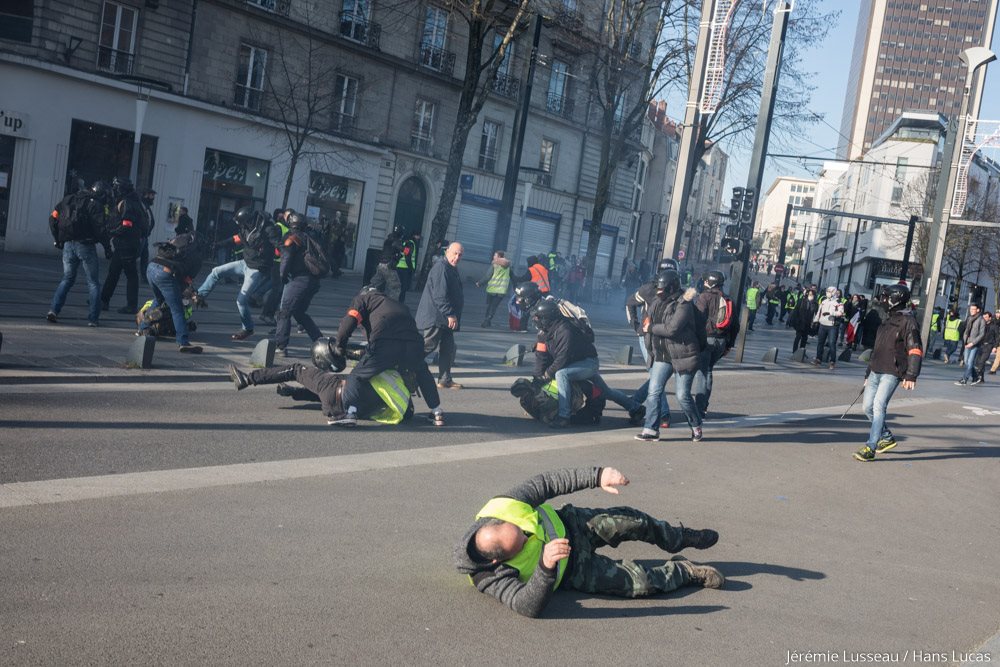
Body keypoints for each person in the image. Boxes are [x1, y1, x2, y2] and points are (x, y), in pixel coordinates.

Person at [454, 467, 723, 618]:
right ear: (496, 560)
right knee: (642, 583)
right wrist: (545, 568)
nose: (528, 535)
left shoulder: (500, 506)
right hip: (573, 570)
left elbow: (548, 482)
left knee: (633, 521)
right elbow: (526, 605)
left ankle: (677, 537)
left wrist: (598, 476)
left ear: (496, 522)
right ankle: (686, 571)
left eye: (521, 530)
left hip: (574, 524)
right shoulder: (486, 577)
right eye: (521, 543)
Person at [325, 287, 444, 426]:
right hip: (414, 343)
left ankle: (350, 412)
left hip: (386, 342)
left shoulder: (363, 299)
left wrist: (340, 345)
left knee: (357, 376)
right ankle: (437, 412)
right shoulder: (397, 304)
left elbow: (349, 321)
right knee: (422, 372)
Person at [531, 299, 643, 429]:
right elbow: (541, 357)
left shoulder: (565, 330)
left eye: (539, 318)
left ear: (548, 318)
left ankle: (563, 417)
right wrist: (537, 377)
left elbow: (562, 358)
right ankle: (636, 408)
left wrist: (547, 374)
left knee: (561, 374)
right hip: (575, 364)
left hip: (588, 363)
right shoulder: (544, 333)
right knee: (605, 391)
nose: (536, 320)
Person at [853, 284, 922, 461]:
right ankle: (886, 437)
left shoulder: (909, 321)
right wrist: (868, 373)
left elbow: (915, 348)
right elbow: (877, 349)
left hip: (892, 371)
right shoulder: (886, 320)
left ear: (896, 299)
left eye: (886, 297)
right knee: (867, 407)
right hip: (876, 369)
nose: (883, 300)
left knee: (878, 406)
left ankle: (871, 447)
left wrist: (911, 375)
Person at [635, 270, 705, 442]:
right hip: (662, 354)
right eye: (658, 289)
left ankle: (696, 425)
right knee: (654, 391)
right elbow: (647, 319)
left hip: (683, 355)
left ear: (672, 287)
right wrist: (645, 332)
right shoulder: (657, 301)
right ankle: (651, 430)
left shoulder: (684, 304)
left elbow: (673, 328)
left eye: (662, 289)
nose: (659, 292)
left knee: (682, 395)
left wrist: (650, 328)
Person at [193, 206, 279, 340]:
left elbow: (280, 246)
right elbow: (237, 238)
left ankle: (248, 328)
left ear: (247, 220)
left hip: (257, 269)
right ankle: (199, 296)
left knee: (241, 301)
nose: (240, 225)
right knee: (215, 272)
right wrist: (219, 245)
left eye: (241, 223)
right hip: (245, 263)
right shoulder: (248, 227)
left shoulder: (267, 229)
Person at [46, 181, 110, 327]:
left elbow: (53, 218)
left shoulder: (69, 198)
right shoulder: (95, 205)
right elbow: (100, 230)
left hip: (68, 244)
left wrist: (57, 240)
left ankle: (53, 310)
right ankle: (93, 319)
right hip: (86, 246)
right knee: (93, 283)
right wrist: (107, 248)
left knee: (67, 278)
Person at [143, 230, 203, 353]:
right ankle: (183, 342)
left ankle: (143, 328)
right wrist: (191, 293)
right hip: (165, 273)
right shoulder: (196, 256)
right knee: (177, 309)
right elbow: (187, 280)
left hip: (151, 267)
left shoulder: (179, 240)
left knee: (159, 300)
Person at [273, 212, 324, 356]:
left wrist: (282, 276)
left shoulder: (291, 237)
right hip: (314, 281)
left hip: (299, 280)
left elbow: (286, 257)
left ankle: (281, 346)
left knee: (285, 312)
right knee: (299, 313)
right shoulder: (309, 237)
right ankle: (320, 340)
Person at [416, 241, 465, 389]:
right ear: (447, 252)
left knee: (447, 349)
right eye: (454, 253)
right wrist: (450, 314)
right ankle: (405, 368)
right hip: (437, 317)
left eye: (460, 255)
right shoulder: (441, 268)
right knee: (428, 345)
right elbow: (439, 295)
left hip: (445, 318)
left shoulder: (451, 268)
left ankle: (445, 379)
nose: (457, 257)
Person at [100, 177, 147, 314]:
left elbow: (127, 224)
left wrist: (111, 232)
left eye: (116, 187)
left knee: (130, 274)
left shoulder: (128, 202)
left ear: (121, 188)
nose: (114, 190)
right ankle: (104, 300)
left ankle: (130, 305)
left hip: (126, 244)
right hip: (124, 244)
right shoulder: (132, 201)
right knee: (114, 272)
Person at [692, 270, 735, 417]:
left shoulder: (704, 297)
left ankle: (699, 408)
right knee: (709, 370)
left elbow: (697, 319)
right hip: (721, 341)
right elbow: (736, 325)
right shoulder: (728, 299)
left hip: (707, 339)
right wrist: (730, 345)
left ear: (710, 283)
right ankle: (703, 406)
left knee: (702, 373)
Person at [476, 251, 511, 328]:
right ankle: (488, 320)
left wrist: (480, 283)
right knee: (494, 306)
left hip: (492, 290)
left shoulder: (495, 265)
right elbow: (512, 277)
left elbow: (487, 276)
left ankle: (486, 321)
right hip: (501, 291)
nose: (493, 256)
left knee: (490, 306)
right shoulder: (508, 266)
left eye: (495, 255)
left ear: (499, 257)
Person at [812, 286, 844, 369]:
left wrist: (831, 313)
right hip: (822, 324)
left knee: (831, 343)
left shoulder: (838, 302)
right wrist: (815, 320)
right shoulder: (824, 301)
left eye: (830, 291)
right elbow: (819, 311)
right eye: (827, 291)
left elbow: (841, 312)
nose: (828, 293)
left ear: (833, 292)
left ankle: (832, 361)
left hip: (832, 326)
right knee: (820, 343)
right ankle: (818, 358)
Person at [955, 303, 985, 386]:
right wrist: (964, 340)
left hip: (975, 344)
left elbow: (982, 334)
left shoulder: (981, 320)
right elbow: (966, 330)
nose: (971, 311)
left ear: (978, 310)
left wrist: (973, 343)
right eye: (970, 309)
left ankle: (964, 379)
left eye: (973, 309)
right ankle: (976, 377)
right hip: (967, 343)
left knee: (970, 362)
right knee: (966, 361)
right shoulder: (969, 318)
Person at [790, 287, 818, 356]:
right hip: (800, 322)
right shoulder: (801, 301)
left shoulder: (815, 304)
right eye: (810, 294)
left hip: (808, 324)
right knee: (798, 337)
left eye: (812, 295)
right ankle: (794, 351)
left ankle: (801, 352)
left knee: (805, 338)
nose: (811, 296)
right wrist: (795, 321)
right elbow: (796, 312)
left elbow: (816, 314)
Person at [972, 311, 997, 384]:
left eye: (986, 317)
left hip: (988, 345)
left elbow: (997, 337)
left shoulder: (994, 326)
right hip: (980, 345)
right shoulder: (981, 325)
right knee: (978, 361)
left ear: (990, 318)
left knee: (982, 361)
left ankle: (978, 376)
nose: (984, 319)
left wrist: (995, 346)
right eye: (984, 317)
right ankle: (981, 377)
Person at [138, 188, 156, 282]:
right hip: (141, 236)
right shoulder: (142, 205)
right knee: (136, 255)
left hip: (144, 236)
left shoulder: (147, 206)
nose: (153, 198)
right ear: (146, 195)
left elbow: (150, 221)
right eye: (152, 195)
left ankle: (144, 277)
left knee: (144, 257)